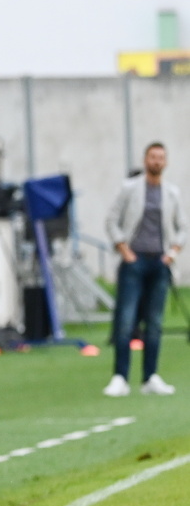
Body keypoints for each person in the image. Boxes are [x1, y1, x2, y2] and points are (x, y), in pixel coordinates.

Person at [103, 142, 187, 397]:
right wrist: (124, 249)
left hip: (159, 263)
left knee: (155, 323)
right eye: (153, 157)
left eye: (161, 157)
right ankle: (120, 377)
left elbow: (182, 227)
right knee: (126, 320)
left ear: (166, 162)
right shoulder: (130, 189)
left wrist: (172, 253)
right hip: (134, 261)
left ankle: (150, 376)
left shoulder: (171, 193)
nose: (156, 161)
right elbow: (112, 220)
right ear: (145, 159)